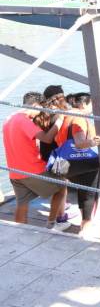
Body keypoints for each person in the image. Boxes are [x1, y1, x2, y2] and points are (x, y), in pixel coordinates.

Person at [3, 92, 69, 231]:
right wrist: (59, 121)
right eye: (40, 108)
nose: (39, 112)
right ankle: (52, 224)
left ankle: (19, 230)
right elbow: (47, 139)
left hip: (14, 172)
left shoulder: (9, 118)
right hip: (32, 171)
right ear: (35, 105)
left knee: (22, 203)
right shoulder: (24, 121)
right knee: (62, 186)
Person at [56, 92, 100, 238]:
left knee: (82, 192)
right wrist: (95, 142)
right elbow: (80, 142)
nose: (93, 107)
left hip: (65, 162)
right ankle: (86, 226)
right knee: (89, 195)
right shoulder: (79, 118)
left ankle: (83, 223)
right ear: (83, 104)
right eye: (91, 104)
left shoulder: (63, 116)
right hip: (83, 162)